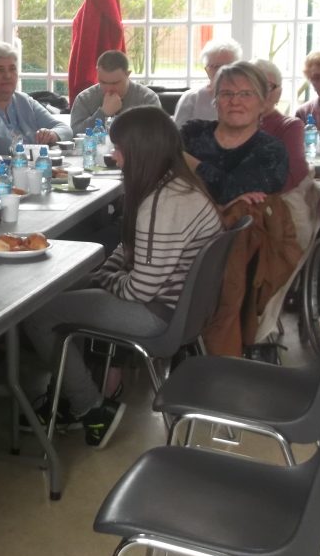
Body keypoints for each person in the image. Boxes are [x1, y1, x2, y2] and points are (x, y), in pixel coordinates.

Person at [23, 107, 222, 448]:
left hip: (157, 312)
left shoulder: (162, 202)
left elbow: (141, 288)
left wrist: (105, 279)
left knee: (39, 313)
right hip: (178, 305)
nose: (113, 156)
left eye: (118, 149)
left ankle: (90, 408)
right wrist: (106, 273)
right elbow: (130, 247)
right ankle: (68, 395)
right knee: (61, 292)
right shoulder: (176, 184)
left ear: (141, 151)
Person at [181, 61, 289, 206]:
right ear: (216, 101)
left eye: (246, 94)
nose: (235, 101)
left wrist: (184, 160)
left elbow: (232, 191)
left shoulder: (272, 150)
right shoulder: (192, 132)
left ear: (262, 104)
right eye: (226, 94)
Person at [0, 42, 72, 154]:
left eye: (12, 69)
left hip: (34, 164)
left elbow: (65, 129)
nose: (7, 76)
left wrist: (52, 134)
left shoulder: (25, 101)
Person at [69, 50, 161, 134]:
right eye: (103, 82)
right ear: (97, 73)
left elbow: (156, 134)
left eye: (115, 83)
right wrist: (103, 113)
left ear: (127, 74)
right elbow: (75, 133)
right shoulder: (84, 98)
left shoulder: (147, 98)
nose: (109, 88)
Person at [253, 59, 308, 192]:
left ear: (279, 93)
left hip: (270, 199)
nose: (261, 93)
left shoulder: (290, 126)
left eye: (268, 87)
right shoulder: (231, 124)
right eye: (254, 86)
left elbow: (296, 173)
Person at [173, 37, 243, 126]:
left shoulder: (247, 100)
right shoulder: (191, 99)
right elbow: (176, 133)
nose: (222, 71)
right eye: (216, 66)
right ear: (207, 70)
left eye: (228, 66)